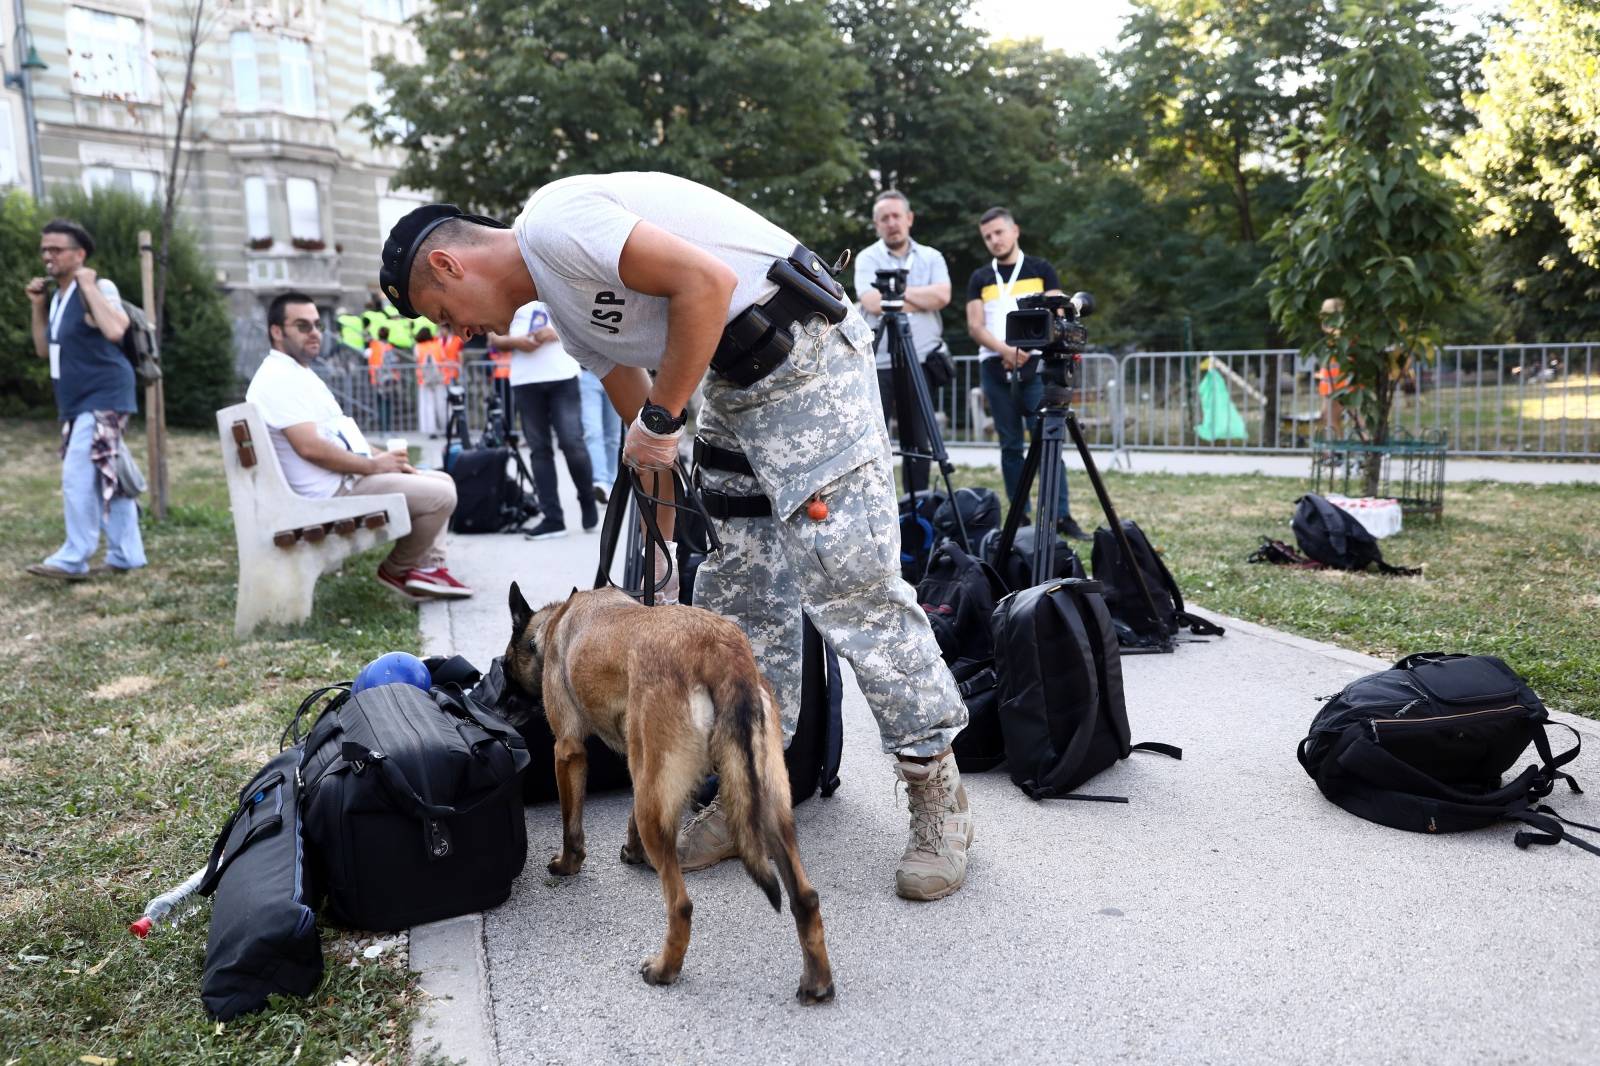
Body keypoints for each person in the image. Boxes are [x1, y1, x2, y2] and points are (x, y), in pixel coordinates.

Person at [379, 173, 974, 901]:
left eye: (438, 312)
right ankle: (748, 796)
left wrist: (660, 423)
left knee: (851, 587)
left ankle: (936, 794)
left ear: (447, 265)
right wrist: (658, 565)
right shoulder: (569, 322)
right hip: (730, 381)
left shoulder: (553, 223)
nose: (452, 332)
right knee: (737, 598)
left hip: (803, 359)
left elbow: (705, 282)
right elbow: (643, 439)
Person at [245, 291, 474, 601]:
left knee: (441, 479)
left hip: (343, 481)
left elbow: (338, 433)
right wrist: (373, 466)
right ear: (276, 331)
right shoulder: (278, 379)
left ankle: (429, 568)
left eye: (317, 325)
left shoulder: (297, 373)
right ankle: (398, 568)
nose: (314, 333)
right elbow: (310, 448)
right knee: (441, 494)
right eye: (303, 326)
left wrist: (385, 458)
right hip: (327, 495)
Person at [25, 219, 146, 581]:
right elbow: (44, 350)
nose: (48, 256)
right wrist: (37, 305)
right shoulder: (59, 296)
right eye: (45, 249)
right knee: (111, 475)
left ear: (80, 255)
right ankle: (128, 555)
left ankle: (73, 557)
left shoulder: (98, 287)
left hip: (105, 395)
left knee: (78, 474)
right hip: (77, 401)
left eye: (57, 249)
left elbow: (114, 330)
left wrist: (89, 284)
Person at [965, 206, 1088, 540]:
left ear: (1014, 231)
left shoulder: (1040, 269)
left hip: (1036, 365)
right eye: (987, 236)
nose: (994, 240)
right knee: (1010, 444)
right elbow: (975, 326)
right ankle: (1020, 517)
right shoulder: (980, 277)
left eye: (999, 232)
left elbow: (1055, 313)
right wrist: (1006, 351)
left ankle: (1060, 516)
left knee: (1048, 438)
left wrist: (1026, 354)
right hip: (995, 364)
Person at [853, 190, 951, 492]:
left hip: (920, 361)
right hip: (879, 363)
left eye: (897, 216)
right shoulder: (868, 257)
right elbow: (871, 302)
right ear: (876, 224)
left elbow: (942, 296)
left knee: (918, 441)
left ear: (909, 218)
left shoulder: (932, 256)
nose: (892, 223)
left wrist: (893, 295)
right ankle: (878, 504)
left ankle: (917, 502)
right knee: (872, 439)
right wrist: (920, 296)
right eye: (884, 218)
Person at [487, 302, 598, 539]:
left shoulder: (554, 280)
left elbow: (583, 322)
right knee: (539, 451)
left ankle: (587, 497)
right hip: (525, 381)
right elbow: (493, 339)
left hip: (563, 376)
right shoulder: (506, 293)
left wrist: (555, 332)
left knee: (572, 442)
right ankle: (553, 518)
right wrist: (517, 342)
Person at [579, 368, 621, 504]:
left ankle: (611, 483)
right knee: (592, 432)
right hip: (587, 372)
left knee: (613, 437)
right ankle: (600, 481)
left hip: (617, 373)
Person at [414, 326, 450, 438]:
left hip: (424, 380)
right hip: (440, 379)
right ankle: (447, 428)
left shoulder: (418, 347)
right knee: (442, 404)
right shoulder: (438, 345)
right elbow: (444, 359)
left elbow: (416, 361)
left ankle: (430, 431)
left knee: (427, 405)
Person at [366, 326, 399, 434]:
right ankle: (387, 427)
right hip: (388, 379)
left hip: (377, 378)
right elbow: (394, 362)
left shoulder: (373, 346)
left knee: (381, 403)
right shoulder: (389, 347)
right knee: (387, 403)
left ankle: (383, 427)